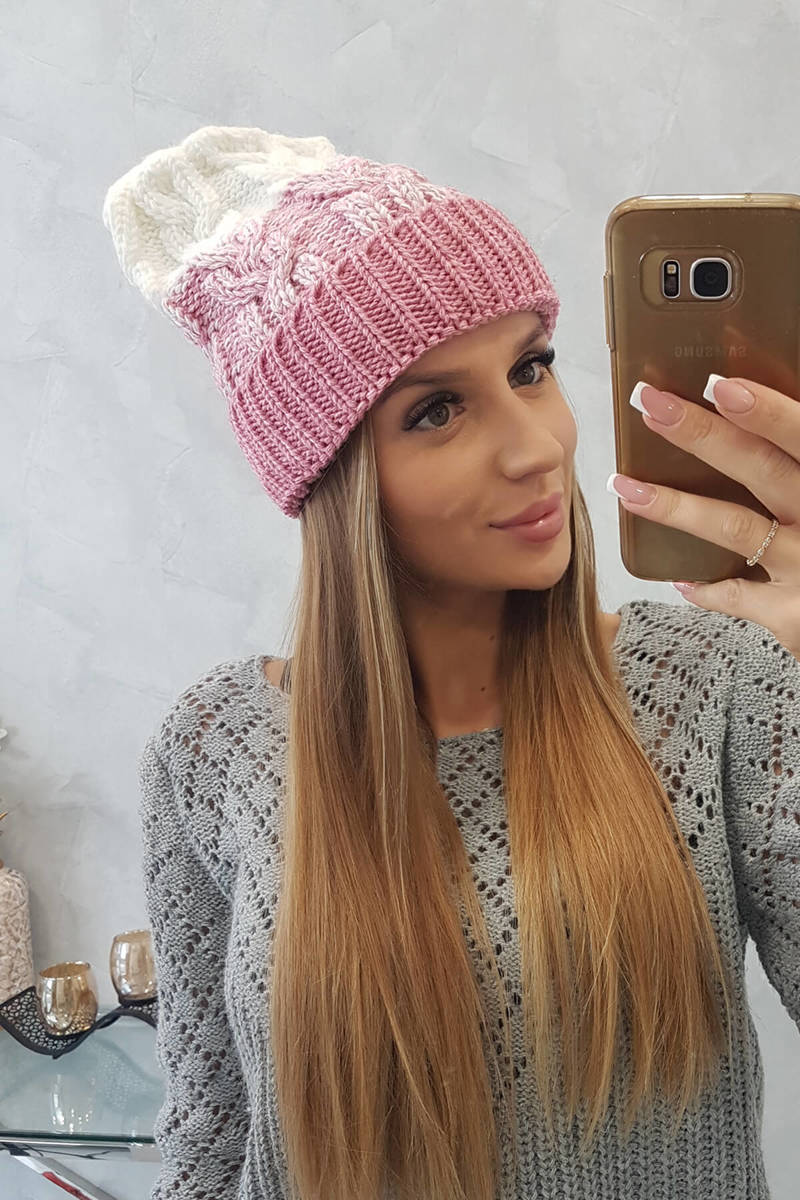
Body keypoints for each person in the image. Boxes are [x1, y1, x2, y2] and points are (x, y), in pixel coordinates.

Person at [103, 125, 800, 1200]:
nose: (537, 445)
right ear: (332, 479)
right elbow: (208, 1143)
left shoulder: (720, 688)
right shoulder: (213, 749)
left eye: (530, 367)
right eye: (435, 410)